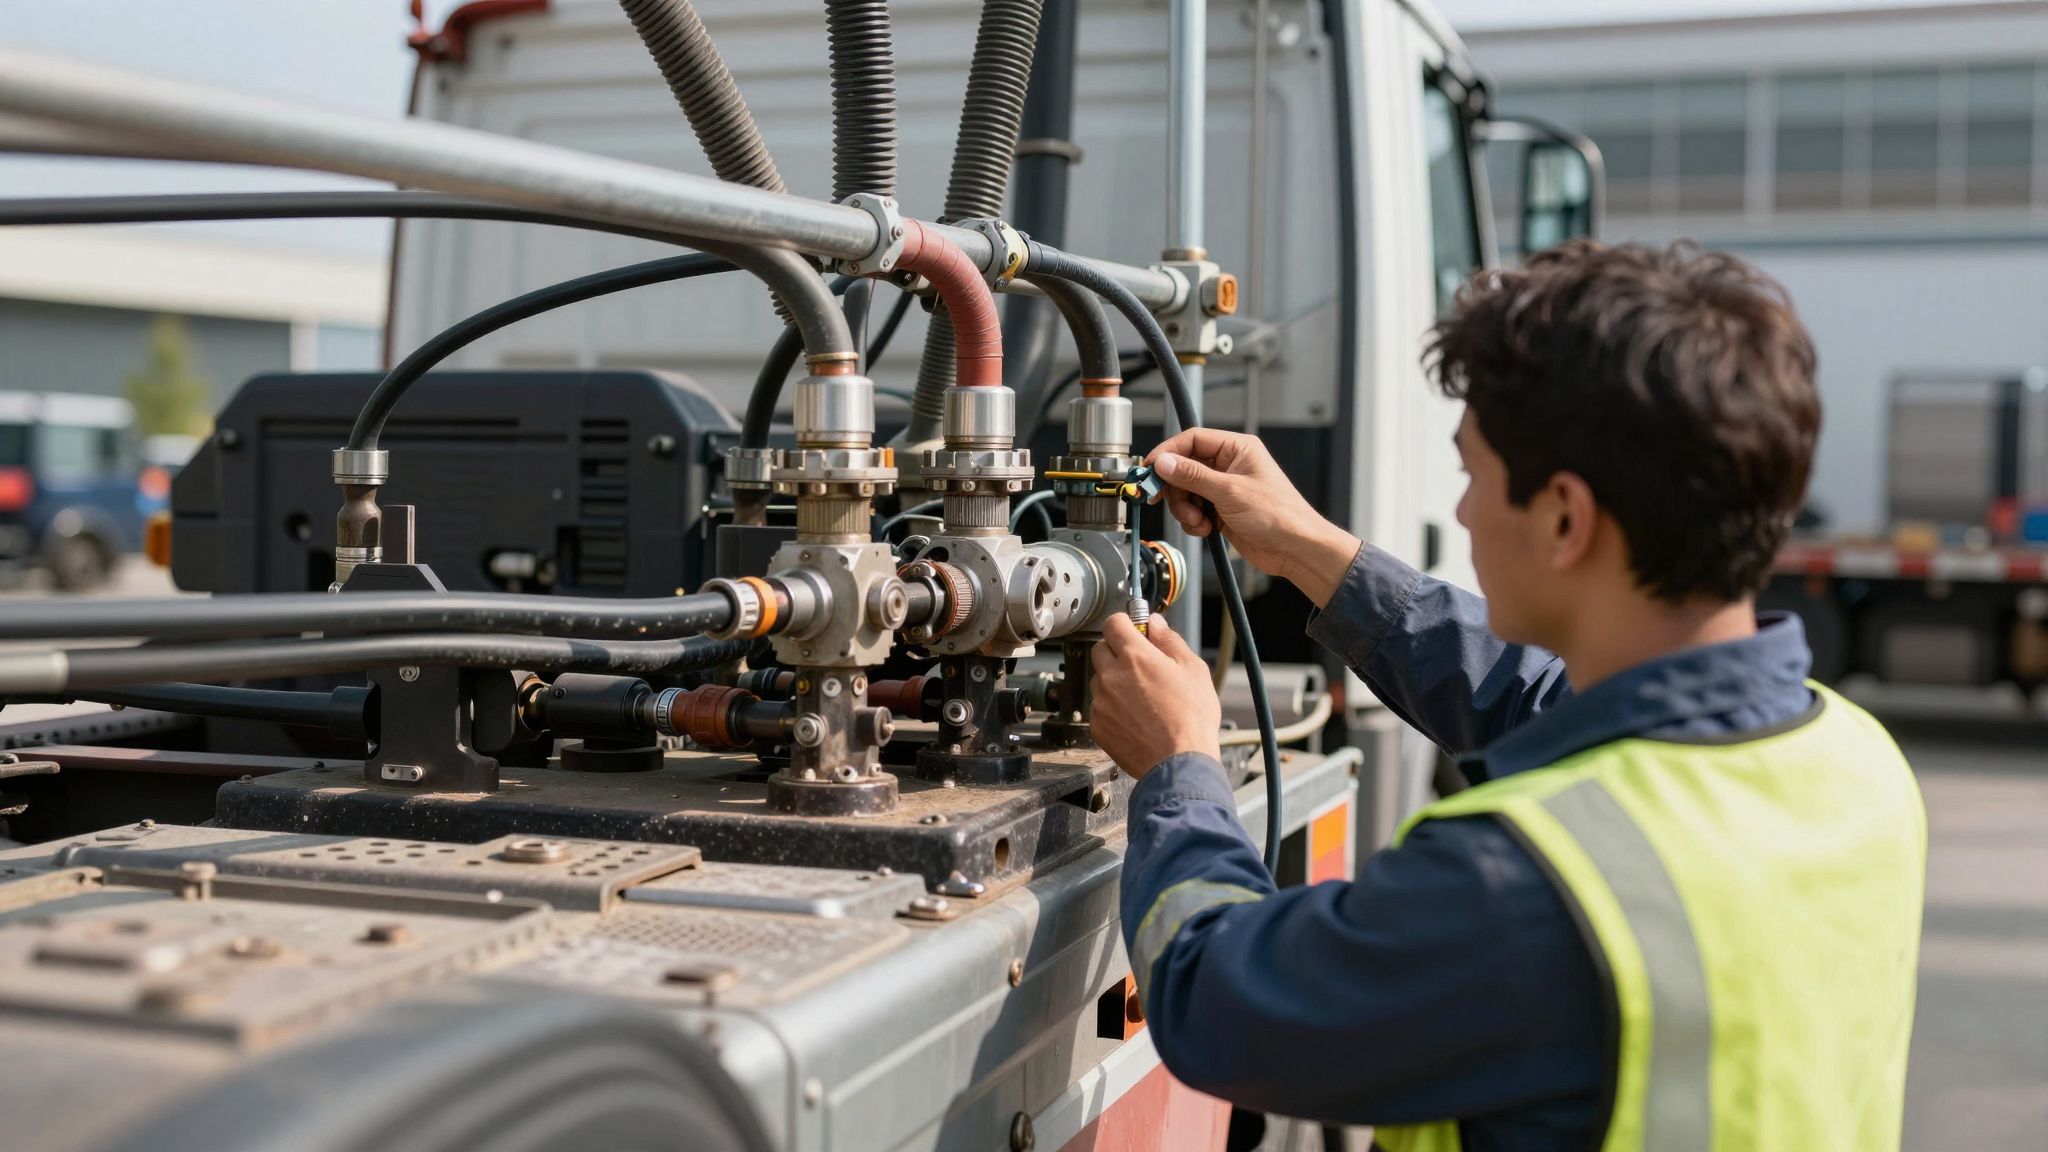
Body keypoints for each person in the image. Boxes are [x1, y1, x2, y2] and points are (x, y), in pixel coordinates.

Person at [1086, 241, 1926, 1151]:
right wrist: (1307, 550)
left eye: (1473, 475)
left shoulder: (1519, 882)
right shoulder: (1852, 758)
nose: (1463, 514)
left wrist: (1180, 768)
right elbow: (1548, 701)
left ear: (1565, 518)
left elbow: (1221, 1007)